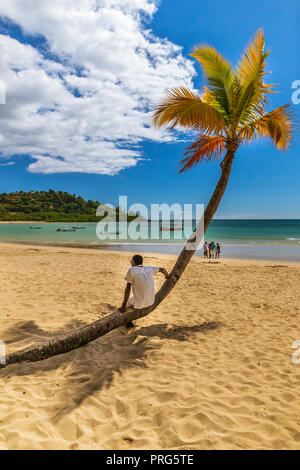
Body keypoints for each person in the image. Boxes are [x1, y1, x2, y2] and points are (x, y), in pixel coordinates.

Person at [119, 254, 170, 327]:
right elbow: (162, 269)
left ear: (132, 262)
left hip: (141, 303)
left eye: (131, 262)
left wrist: (123, 306)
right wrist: (167, 275)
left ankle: (129, 322)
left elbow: (128, 288)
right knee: (135, 298)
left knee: (127, 303)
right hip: (151, 300)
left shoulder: (132, 270)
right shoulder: (148, 268)